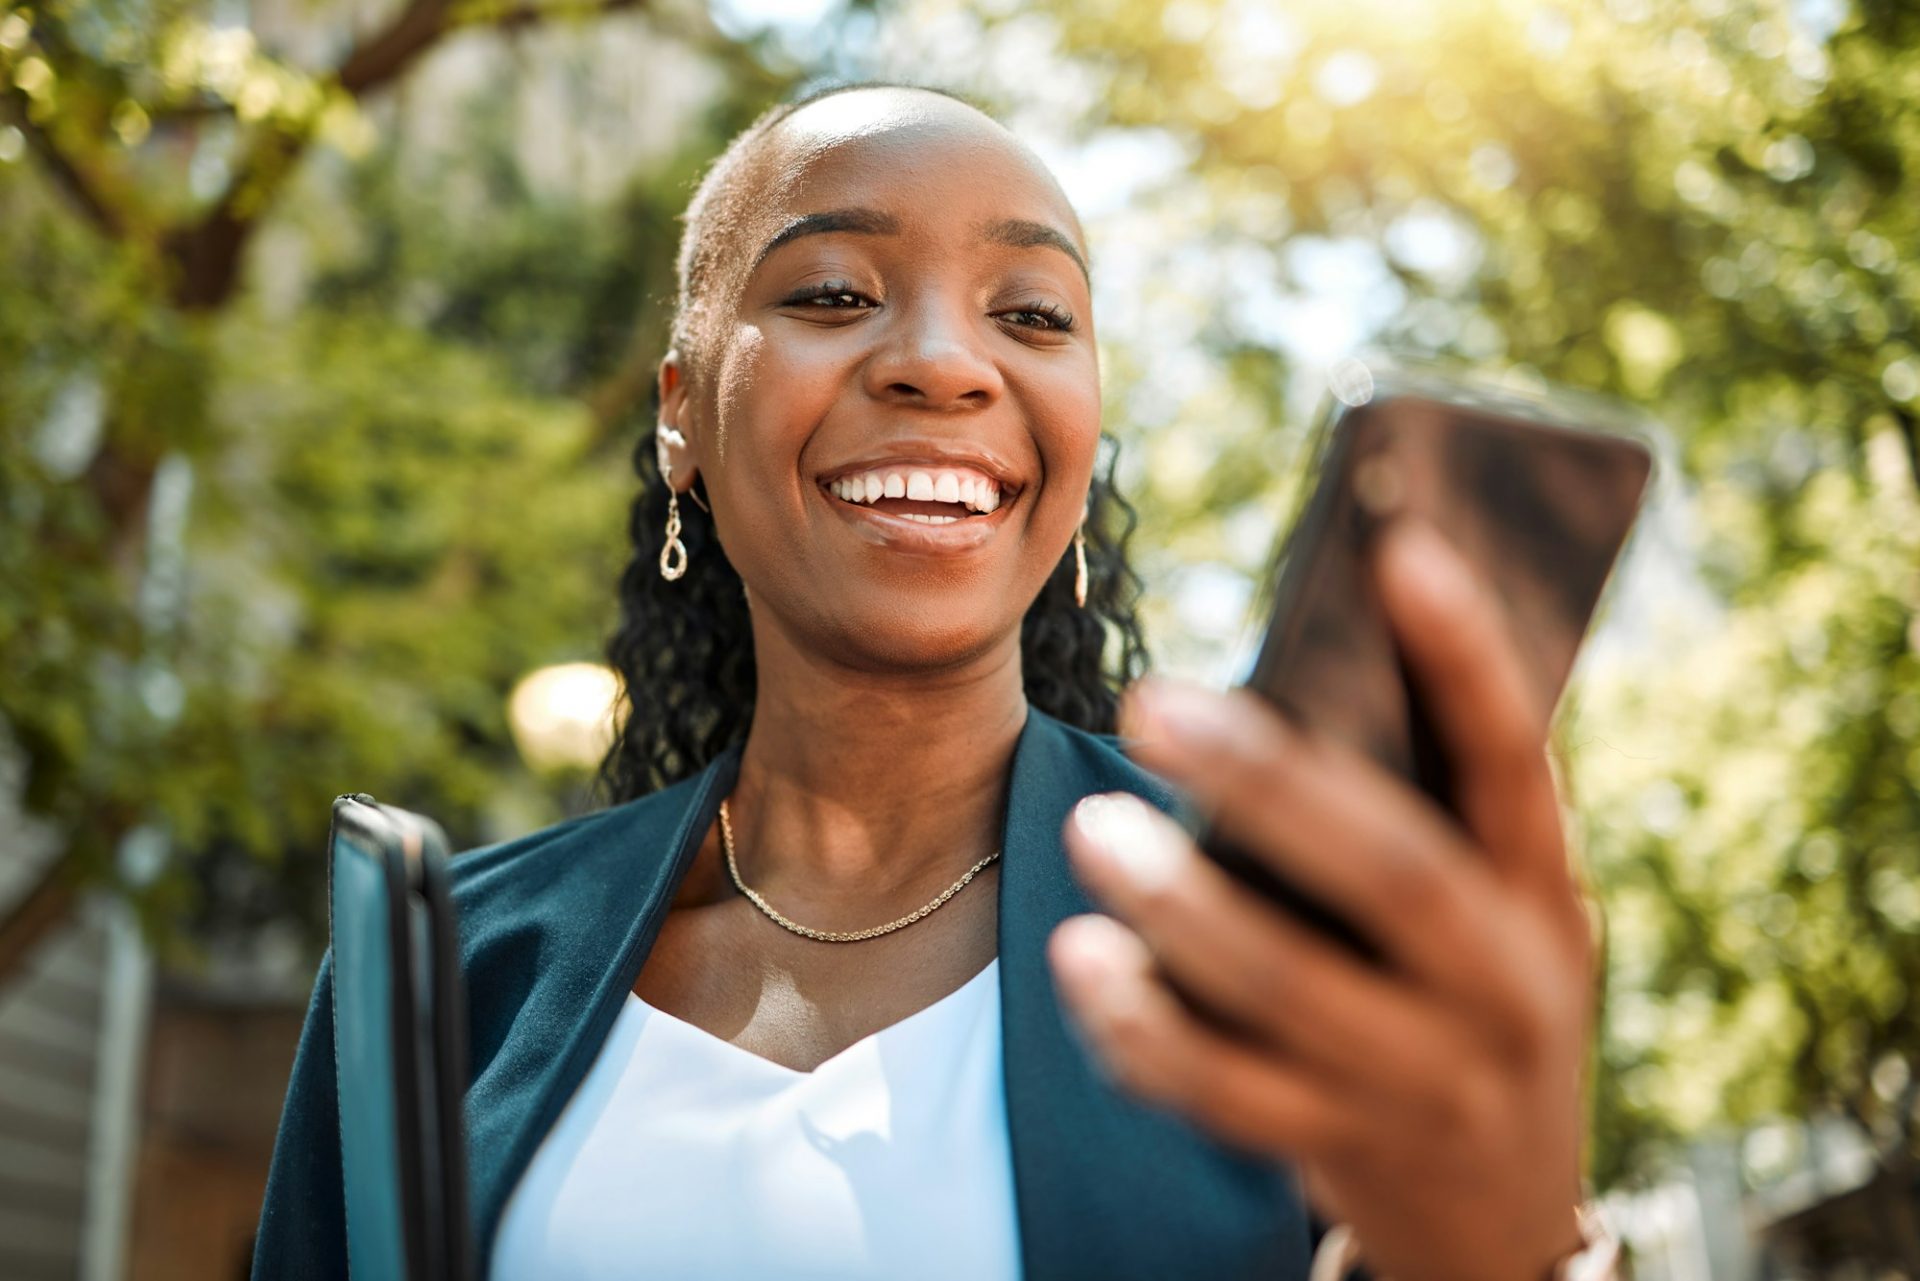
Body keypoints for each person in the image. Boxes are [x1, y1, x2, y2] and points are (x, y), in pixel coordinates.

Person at [252, 80, 1611, 1281]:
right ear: (681, 414)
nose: (946, 364)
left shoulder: (1255, 932)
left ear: (1082, 433)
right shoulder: (444, 971)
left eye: (1031, 312)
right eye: (835, 292)